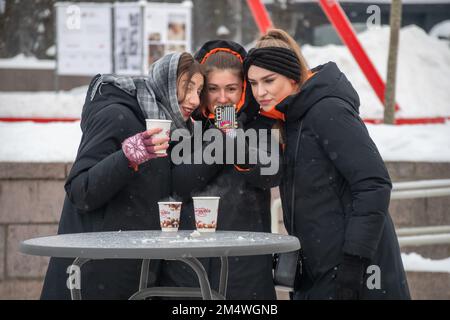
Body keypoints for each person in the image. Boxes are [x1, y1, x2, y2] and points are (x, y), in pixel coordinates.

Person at [243, 29, 411, 300]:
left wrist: (354, 262)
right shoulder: (290, 117)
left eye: (268, 80)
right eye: (253, 83)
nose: (260, 92)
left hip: (357, 271)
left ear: (292, 74)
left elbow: (373, 184)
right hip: (320, 270)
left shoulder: (326, 110)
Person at [40, 52, 204, 300]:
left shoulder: (169, 129)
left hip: (133, 273)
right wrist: (128, 155)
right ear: (166, 85)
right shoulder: (116, 115)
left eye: (199, 91)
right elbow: (80, 190)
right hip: (92, 272)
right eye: (187, 87)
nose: (194, 99)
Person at [159, 40, 280, 300]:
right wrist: (221, 139)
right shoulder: (184, 124)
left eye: (231, 89)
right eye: (213, 89)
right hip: (188, 263)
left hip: (245, 264)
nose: (222, 98)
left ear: (244, 90)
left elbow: (270, 175)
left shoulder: (261, 125)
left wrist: (237, 139)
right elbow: (179, 184)